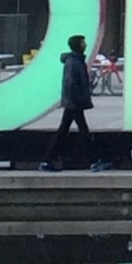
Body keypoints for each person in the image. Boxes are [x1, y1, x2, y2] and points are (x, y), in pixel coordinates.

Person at [41, 34, 94, 170]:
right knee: (82, 130)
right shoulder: (74, 62)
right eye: (83, 43)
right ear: (78, 45)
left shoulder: (75, 61)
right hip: (74, 102)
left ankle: (48, 159)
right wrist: (80, 99)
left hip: (72, 102)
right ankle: (93, 160)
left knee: (64, 130)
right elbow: (71, 83)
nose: (86, 45)